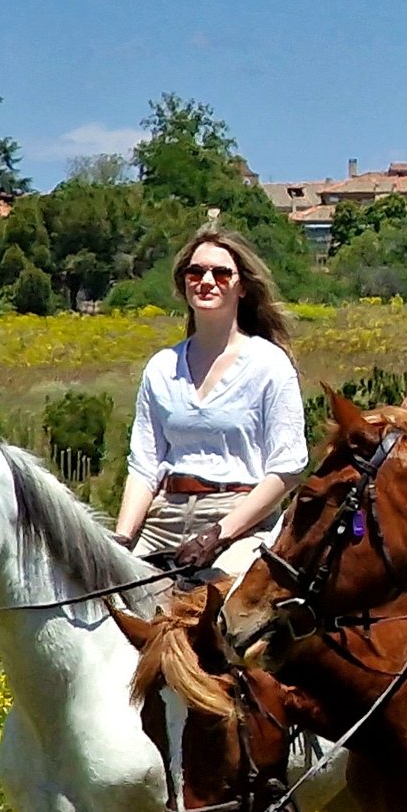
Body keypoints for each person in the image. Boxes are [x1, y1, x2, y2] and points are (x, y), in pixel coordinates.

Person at [113, 229, 309, 577]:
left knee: (219, 607)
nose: (206, 281)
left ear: (242, 286)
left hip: (241, 522)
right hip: (165, 516)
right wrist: (122, 540)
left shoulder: (269, 364)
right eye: (195, 272)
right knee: (108, 599)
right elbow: (144, 465)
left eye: (220, 273)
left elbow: (287, 468)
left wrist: (218, 535)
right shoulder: (161, 368)